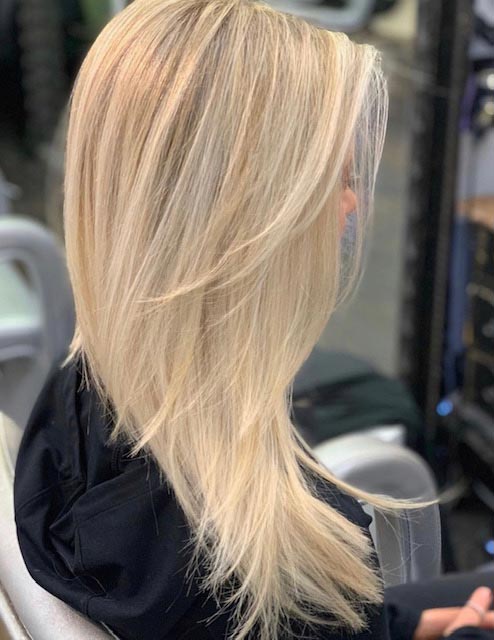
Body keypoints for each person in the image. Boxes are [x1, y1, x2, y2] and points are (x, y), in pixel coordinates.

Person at [11, 0, 494, 638]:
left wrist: (402, 623)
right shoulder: (266, 576)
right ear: (245, 224)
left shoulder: (76, 400)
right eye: (331, 178)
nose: (351, 203)